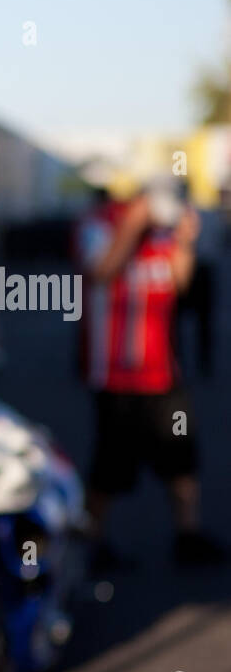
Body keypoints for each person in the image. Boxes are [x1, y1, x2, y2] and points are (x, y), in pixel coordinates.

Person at [75, 184, 224, 567]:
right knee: (110, 464)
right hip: (116, 375)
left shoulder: (163, 235)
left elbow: (180, 283)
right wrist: (132, 225)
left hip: (162, 373)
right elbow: (102, 271)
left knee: (182, 450)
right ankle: (93, 540)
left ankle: (187, 535)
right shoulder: (99, 225)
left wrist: (185, 241)